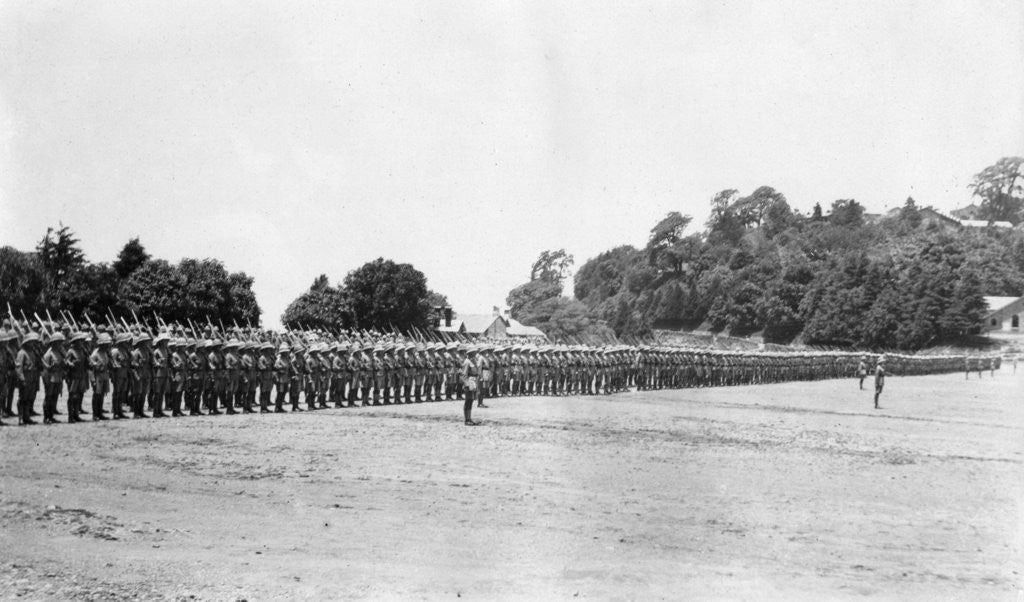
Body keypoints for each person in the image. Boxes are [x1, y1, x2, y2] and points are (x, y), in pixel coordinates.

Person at [460, 346, 480, 426]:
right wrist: (467, 384)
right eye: (473, 353)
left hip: (473, 382)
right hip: (469, 383)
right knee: (468, 401)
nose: (475, 354)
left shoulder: (473, 361)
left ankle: (469, 418)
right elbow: (464, 375)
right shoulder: (467, 362)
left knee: (471, 401)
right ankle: (467, 419)